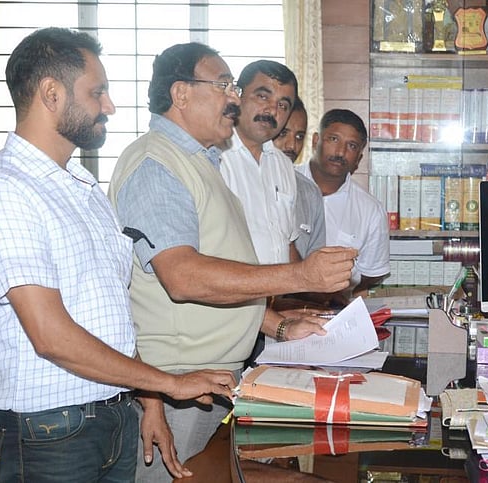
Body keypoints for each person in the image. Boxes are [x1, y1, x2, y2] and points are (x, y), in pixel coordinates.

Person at [0, 28, 236, 482]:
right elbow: (51, 336)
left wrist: (149, 403)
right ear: (51, 93)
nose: (109, 106)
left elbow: (112, 314)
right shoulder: (4, 191)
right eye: (97, 92)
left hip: (113, 416)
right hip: (48, 434)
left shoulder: (82, 187)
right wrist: (169, 383)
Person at [107, 43, 357, 482]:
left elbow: (222, 278)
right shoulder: (156, 165)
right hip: (175, 383)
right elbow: (183, 277)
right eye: (224, 85)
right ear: (181, 94)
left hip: (209, 380)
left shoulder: (202, 161)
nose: (234, 99)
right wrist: (301, 274)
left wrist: (279, 326)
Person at [296, 109, 390, 306]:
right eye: (333, 139)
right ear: (315, 141)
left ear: (358, 158)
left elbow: (371, 272)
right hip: (273, 305)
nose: (340, 152)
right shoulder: (284, 183)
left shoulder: (370, 210)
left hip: (333, 310)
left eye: (351, 146)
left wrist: (336, 291)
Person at [220, 60, 300, 265]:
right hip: (226, 284)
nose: (272, 110)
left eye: (283, 105)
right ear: (237, 95)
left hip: (277, 285)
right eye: (263, 96)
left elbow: (287, 243)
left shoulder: (283, 165)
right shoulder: (215, 156)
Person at [273, 98, 326, 260]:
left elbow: (313, 263)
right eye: (283, 133)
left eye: (299, 136)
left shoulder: (310, 193)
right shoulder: (241, 180)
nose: (292, 145)